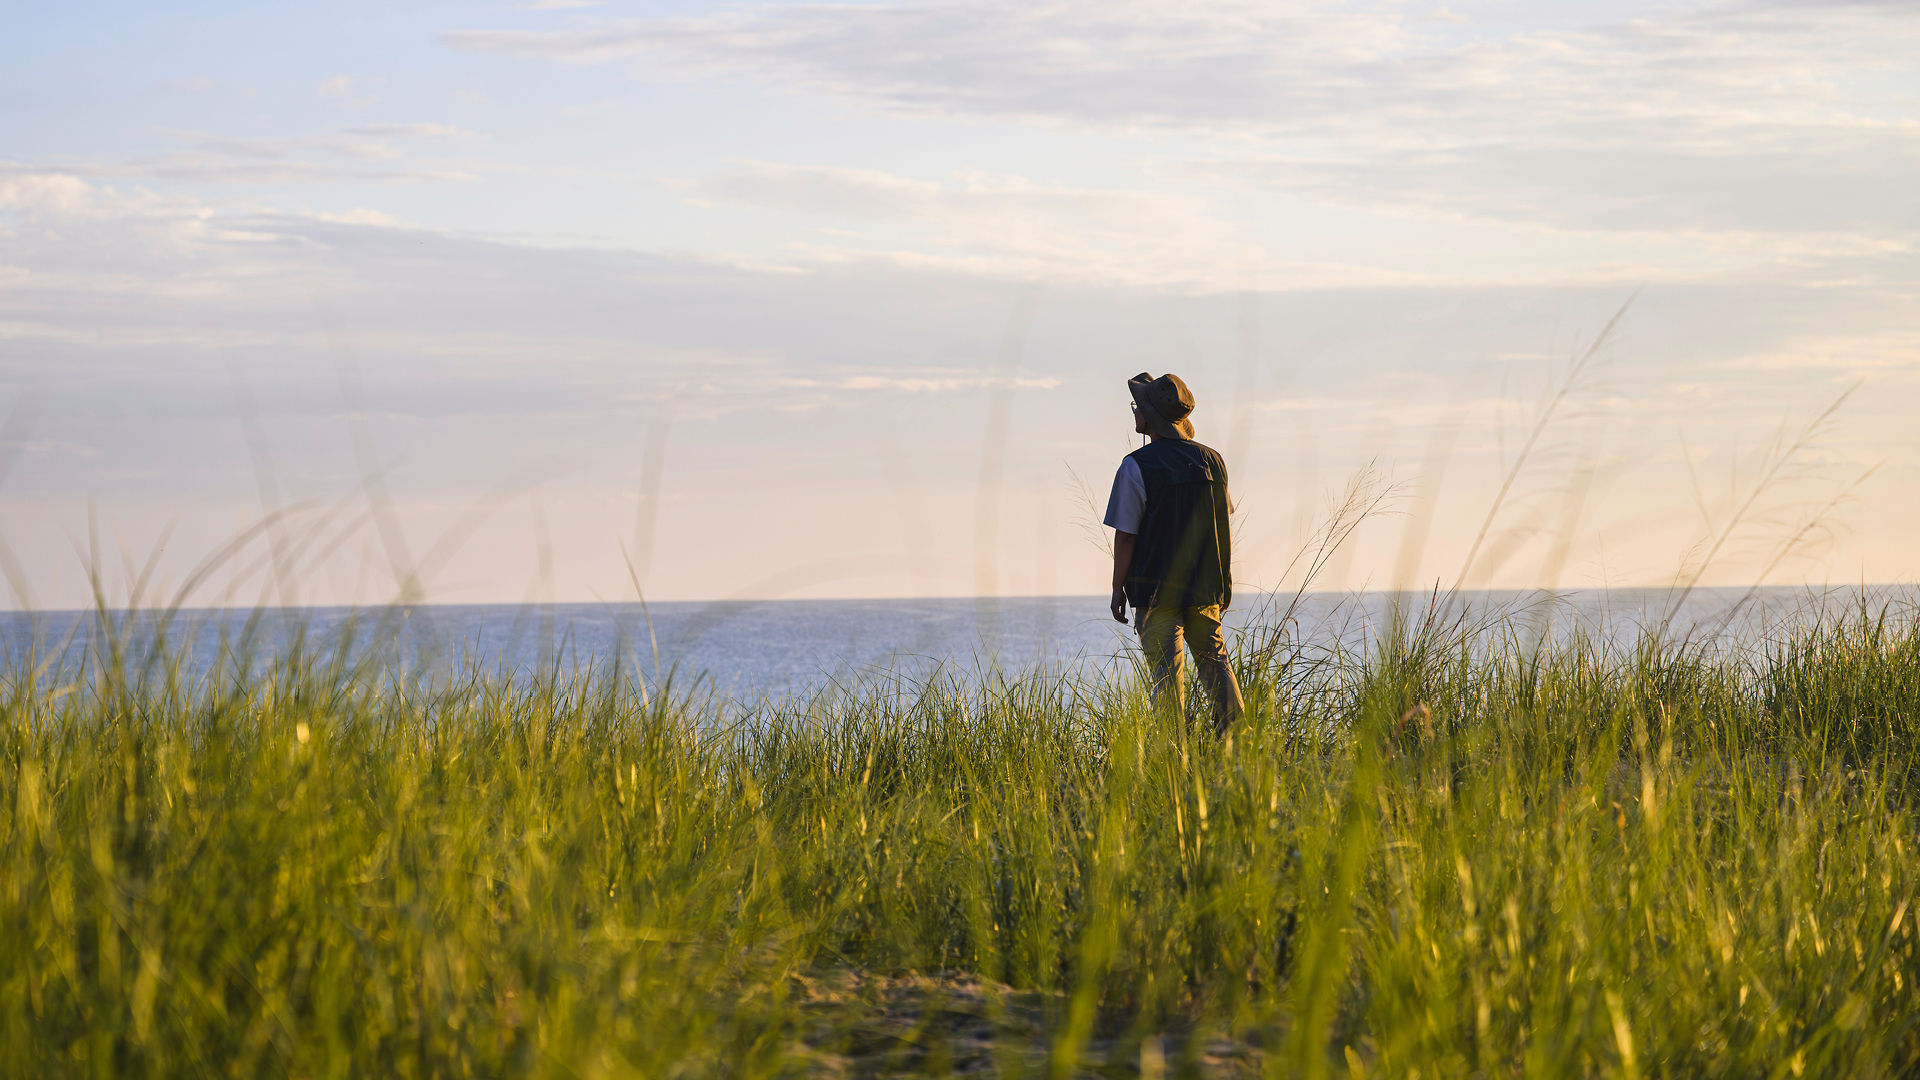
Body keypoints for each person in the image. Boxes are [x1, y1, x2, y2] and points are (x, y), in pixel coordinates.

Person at [1104, 372, 1246, 736]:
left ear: (1149, 417)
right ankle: (1240, 754)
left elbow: (1126, 535)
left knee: (1166, 681)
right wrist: (1224, 582)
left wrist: (1118, 589)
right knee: (1217, 668)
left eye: (1138, 407)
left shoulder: (1136, 466)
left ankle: (1173, 765)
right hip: (1205, 588)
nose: (1135, 412)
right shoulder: (1213, 461)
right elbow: (1222, 528)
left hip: (1155, 591)